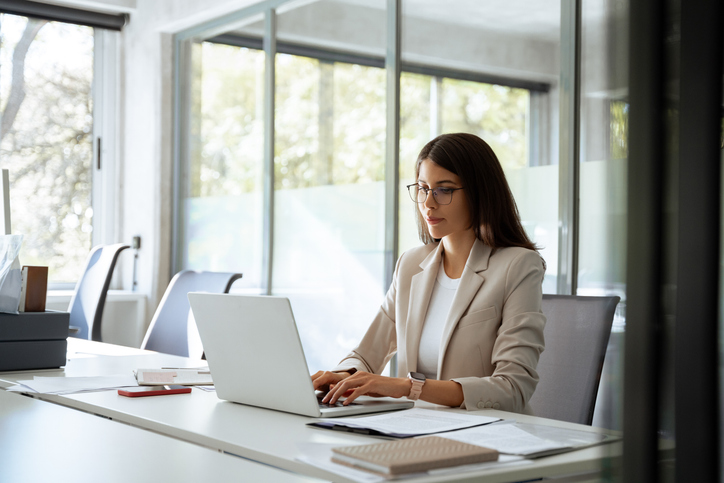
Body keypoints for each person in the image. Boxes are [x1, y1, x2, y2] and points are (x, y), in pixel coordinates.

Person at [312, 132, 546, 414]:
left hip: (484, 433)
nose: (428, 203)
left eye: (444, 190)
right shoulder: (411, 264)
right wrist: (343, 376)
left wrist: (408, 388)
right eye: (423, 188)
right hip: (415, 428)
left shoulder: (518, 266)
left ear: (479, 192)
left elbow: (513, 387)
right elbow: (366, 354)